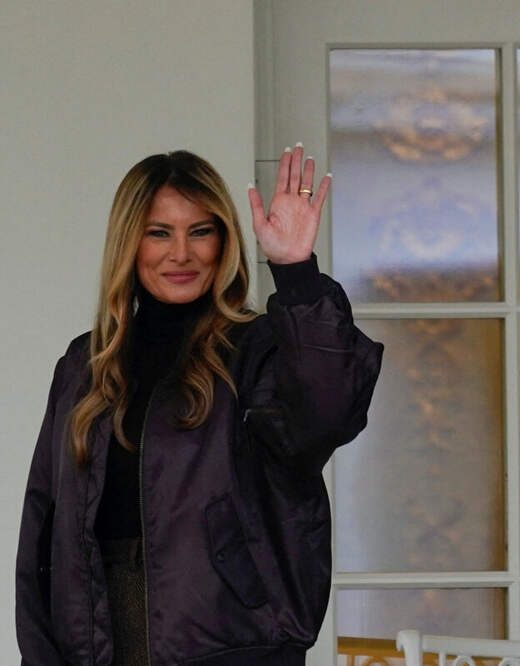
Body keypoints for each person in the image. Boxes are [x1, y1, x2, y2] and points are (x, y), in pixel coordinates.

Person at [16, 146, 383, 665]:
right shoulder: (85, 363)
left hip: (229, 644)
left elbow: (328, 414)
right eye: (159, 233)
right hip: (95, 645)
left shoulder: (256, 350)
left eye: (200, 231)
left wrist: (296, 272)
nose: (181, 253)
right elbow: (43, 522)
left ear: (223, 241)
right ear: (129, 242)